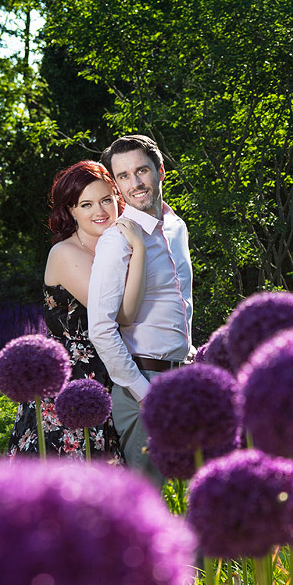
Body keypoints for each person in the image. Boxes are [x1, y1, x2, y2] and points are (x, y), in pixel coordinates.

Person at [8, 160, 147, 461]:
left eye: (106, 200)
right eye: (86, 204)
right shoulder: (65, 253)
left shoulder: (112, 246)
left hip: (109, 376)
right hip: (72, 387)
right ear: (70, 211)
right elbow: (122, 315)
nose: (100, 212)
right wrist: (139, 253)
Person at [88, 134, 194, 483]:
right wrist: (142, 392)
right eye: (123, 176)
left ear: (160, 171)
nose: (135, 183)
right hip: (143, 387)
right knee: (151, 504)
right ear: (116, 185)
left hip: (183, 380)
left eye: (142, 171)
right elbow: (101, 329)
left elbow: (179, 302)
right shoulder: (116, 241)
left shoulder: (177, 227)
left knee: (189, 502)